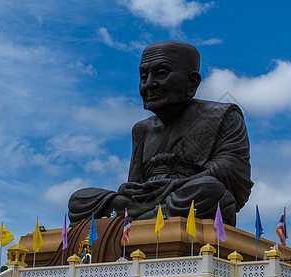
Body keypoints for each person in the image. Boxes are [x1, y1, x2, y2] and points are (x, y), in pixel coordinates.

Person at [68, 41, 253, 226]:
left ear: (192, 82)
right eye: (143, 76)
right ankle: (146, 216)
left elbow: (231, 175)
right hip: (148, 201)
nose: (149, 84)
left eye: (161, 73)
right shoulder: (142, 129)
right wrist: (131, 191)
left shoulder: (222, 115)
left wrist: (171, 186)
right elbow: (135, 185)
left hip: (187, 195)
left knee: (210, 190)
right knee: (79, 200)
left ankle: (137, 218)